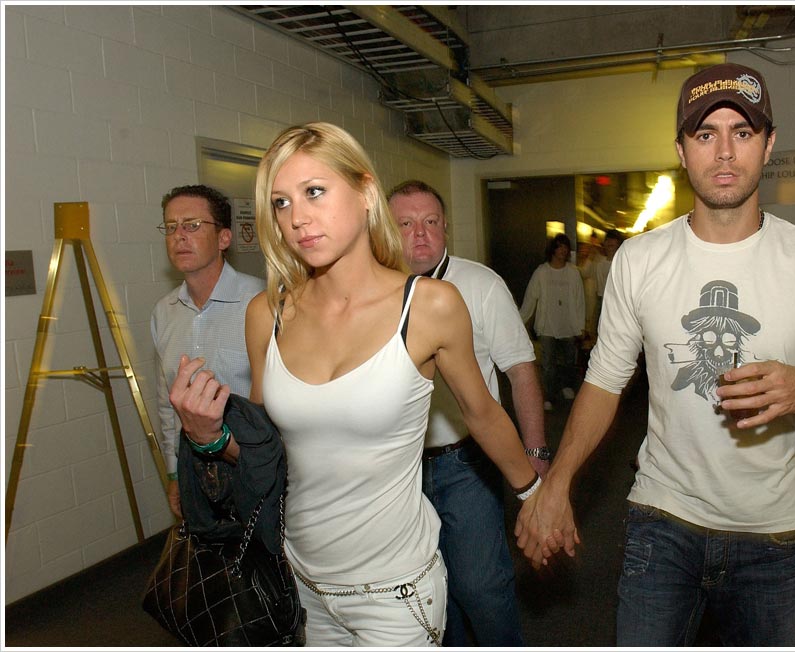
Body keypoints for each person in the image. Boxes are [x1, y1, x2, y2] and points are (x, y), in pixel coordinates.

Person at [514, 62, 795, 647]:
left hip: (775, 534)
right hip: (663, 521)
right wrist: (556, 483)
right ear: (682, 151)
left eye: (743, 132)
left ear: (769, 145)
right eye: (706, 134)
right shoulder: (640, 259)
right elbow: (604, 381)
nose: (725, 152)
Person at [167, 122, 542, 647]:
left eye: (314, 191)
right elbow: (266, 453)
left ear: (366, 192)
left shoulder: (429, 305)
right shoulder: (266, 315)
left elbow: (481, 413)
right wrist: (207, 436)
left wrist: (536, 493)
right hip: (301, 583)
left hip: (395, 592)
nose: (297, 217)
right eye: (281, 202)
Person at [388, 180, 549, 647]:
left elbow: (520, 371)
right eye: (405, 224)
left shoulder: (480, 285)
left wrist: (535, 453)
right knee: (427, 593)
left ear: (446, 228)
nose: (420, 234)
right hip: (398, 471)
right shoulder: (373, 293)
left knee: (481, 588)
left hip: (467, 463)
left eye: (430, 222)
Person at [151, 184, 264, 518]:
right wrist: (174, 473)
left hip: (254, 465)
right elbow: (167, 403)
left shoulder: (261, 303)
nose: (179, 236)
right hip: (195, 471)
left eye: (192, 225)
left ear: (224, 237)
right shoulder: (164, 312)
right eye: (171, 227)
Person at [519, 233, 586, 411]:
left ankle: (567, 386)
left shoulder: (573, 273)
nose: (563, 250)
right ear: (553, 250)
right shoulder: (542, 272)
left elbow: (579, 300)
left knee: (568, 361)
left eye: (565, 247)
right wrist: (520, 321)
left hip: (568, 325)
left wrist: (580, 326)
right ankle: (549, 396)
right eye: (559, 246)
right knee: (548, 365)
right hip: (547, 326)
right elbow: (531, 298)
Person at [580, 229, 625, 335]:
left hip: (618, 302)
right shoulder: (599, 262)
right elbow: (584, 273)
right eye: (607, 239)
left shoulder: (623, 262)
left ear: (619, 243)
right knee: (599, 333)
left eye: (613, 239)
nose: (610, 242)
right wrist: (590, 257)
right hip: (601, 301)